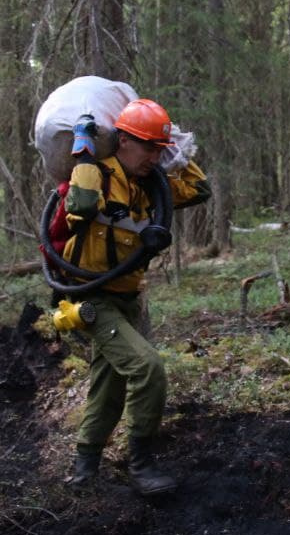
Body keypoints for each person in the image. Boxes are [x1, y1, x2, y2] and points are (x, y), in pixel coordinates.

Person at [63, 99, 211, 496]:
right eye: (148, 147)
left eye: (159, 150)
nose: (153, 157)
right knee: (147, 368)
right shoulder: (98, 174)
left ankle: (84, 470)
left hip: (129, 298)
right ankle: (141, 465)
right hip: (94, 300)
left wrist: (179, 154)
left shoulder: (153, 186)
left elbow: (199, 190)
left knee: (108, 385)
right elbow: (77, 209)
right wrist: (85, 153)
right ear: (123, 141)